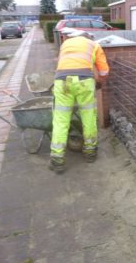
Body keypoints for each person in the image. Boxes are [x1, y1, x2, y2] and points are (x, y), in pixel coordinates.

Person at [49, 28, 109, 173]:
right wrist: (100, 81)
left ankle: (57, 160)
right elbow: (104, 71)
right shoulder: (94, 45)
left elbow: (62, 64)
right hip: (84, 82)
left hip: (62, 82)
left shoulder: (66, 44)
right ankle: (90, 152)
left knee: (61, 120)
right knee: (88, 117)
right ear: (89, 38)